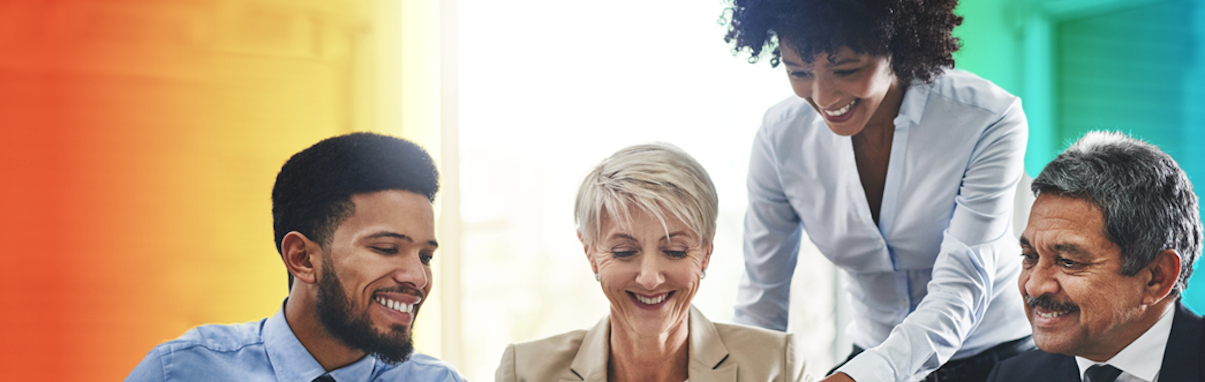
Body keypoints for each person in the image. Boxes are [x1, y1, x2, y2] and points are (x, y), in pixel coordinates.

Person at [723, 1, 1034, 381]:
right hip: (869, 355)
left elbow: (961, 287)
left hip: (994, 356)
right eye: (799, 72)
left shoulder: (986, 119)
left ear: (895, 47)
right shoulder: (780, 137)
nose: (823, 98)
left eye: (846, 69)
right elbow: (762, 298)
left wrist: (862, 376)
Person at [125, 133, 466, 382]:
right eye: (386, 249)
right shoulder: (179, 372)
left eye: (425, 256)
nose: (417, 278)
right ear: (302, 258)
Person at [496, 143, 814, 382]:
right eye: (624, 252)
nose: (649, 278)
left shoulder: (775, 366)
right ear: (590, 253)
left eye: (675, 251)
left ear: (706, 251)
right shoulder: (526, 371)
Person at [986, 131, 1205, 382]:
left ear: (1156, 277)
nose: (1034, 286)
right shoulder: (1012, 376)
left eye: (1068, 262)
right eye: (1030, 257)